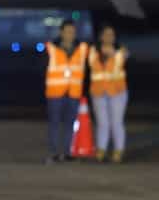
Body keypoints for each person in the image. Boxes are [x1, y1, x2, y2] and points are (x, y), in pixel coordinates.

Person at [44, 19, 89, 163]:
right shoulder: (51, 47)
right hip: (55, 92)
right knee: (55, 123)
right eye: (68, 31)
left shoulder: (82, 48)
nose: (70, 35)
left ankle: (68, 152)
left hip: (73, 92)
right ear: (61, 32)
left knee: (70, 124)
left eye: (73, 32)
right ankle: (55, 153)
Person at [89, 24, 129, 163]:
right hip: (99, 91)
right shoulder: (93, 51)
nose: (108, 37)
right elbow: (92, 63)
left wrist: (116, 53)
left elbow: (124, 57)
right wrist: (106, 53)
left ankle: (118, 151)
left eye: (111, 35)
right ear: (100, 36)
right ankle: (101, 150)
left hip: (117, 91)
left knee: (116, 122)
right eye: (106, 34)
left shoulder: (120, 51)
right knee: (102, 123)